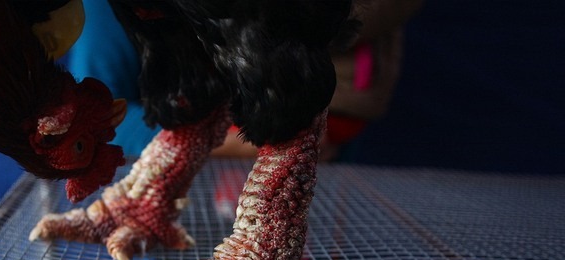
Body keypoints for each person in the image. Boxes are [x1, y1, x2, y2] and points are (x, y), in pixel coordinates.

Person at [66, 0, 424, 161]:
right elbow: (95, 118)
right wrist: (210, 141)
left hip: (326, 116)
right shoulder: (104, 14)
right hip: (213, 140)